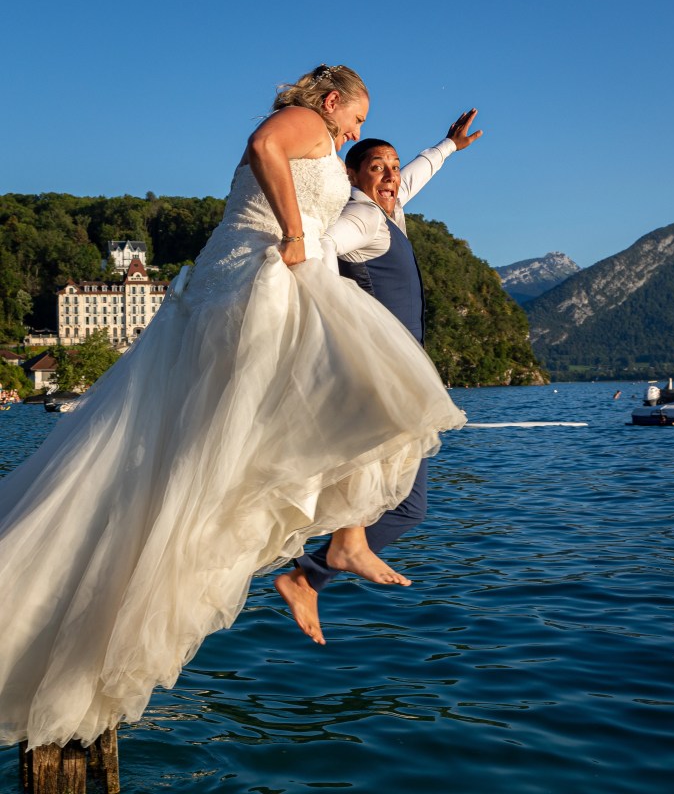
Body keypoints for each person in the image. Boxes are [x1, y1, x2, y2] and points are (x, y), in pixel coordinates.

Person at [0, 65, 466, 750]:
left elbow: (390, 184)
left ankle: (344, 538)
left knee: (334, 412)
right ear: (333, 101)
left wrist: (446, 149)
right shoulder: (308, 123)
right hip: (266, 273)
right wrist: (298, 235)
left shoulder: (337, 156)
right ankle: (340, 543)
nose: (356, 133)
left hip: (267, 273)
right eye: (358, 120)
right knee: (378, 398)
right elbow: (262, 146)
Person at [275, 111, 482, 644]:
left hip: (398, 372)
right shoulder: (362, 220)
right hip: (381, 370)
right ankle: (317, 568)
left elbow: (411, 177)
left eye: (392, 167)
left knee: (399, 499)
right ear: (353, 177)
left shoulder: (389, 208)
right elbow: (323, 246)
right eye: (377, 168)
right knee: (403, 501)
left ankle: (318, 568)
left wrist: (449, 146)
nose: (391, 176)